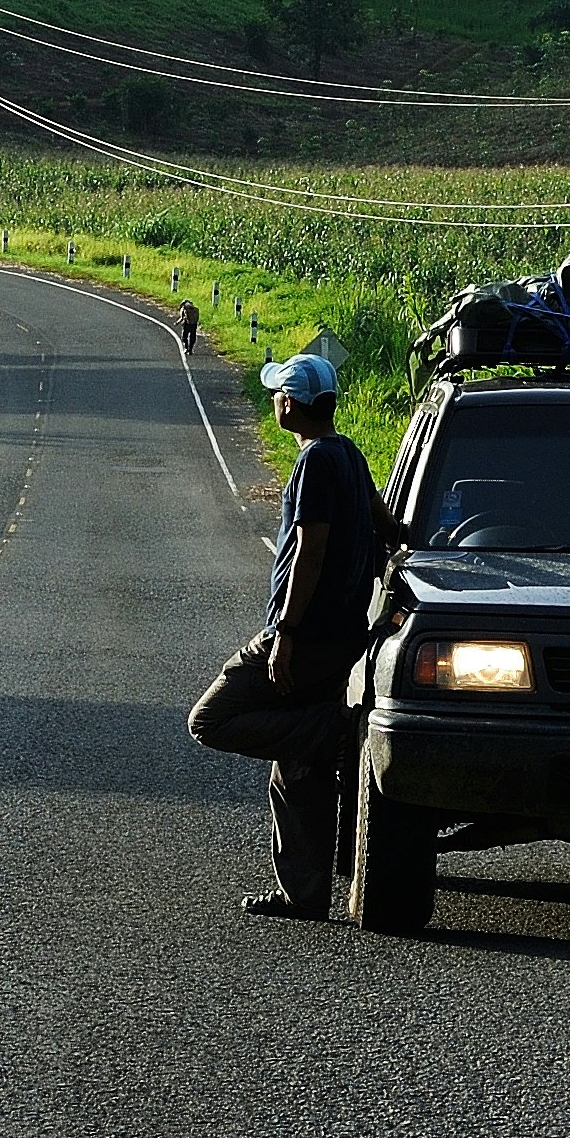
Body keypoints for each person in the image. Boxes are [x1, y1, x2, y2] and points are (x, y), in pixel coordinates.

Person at [185, 345, 394, 917]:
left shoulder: (315, 463)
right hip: (342, 636)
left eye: (279, 391)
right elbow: (386, 522)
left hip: (309, 637)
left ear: (293, 405)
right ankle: (302, 892)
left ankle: (339, 731)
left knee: (211, 719)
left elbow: (310, 546)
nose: (274, 397)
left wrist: (285, 631)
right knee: (294, 767)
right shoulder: (347, 453)